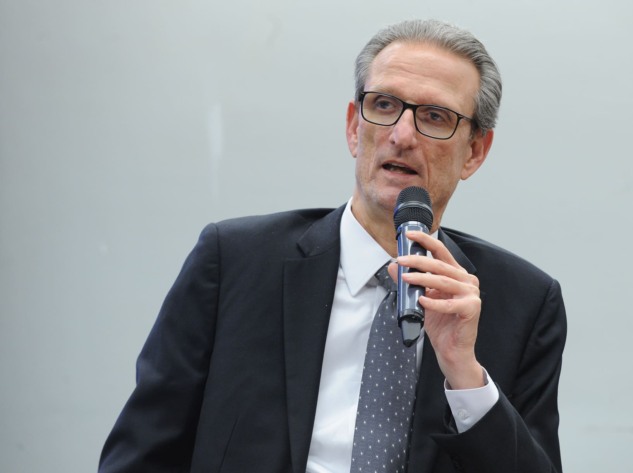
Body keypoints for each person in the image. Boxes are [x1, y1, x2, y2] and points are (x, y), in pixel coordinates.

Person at [99, 19, 567, 473]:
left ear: (475, 152)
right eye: (383, 105)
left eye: (435, 117)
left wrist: (464, 374)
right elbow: (142, 453)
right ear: (352, 127)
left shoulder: (524, 303)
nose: (401, 135)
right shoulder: (233, 261)